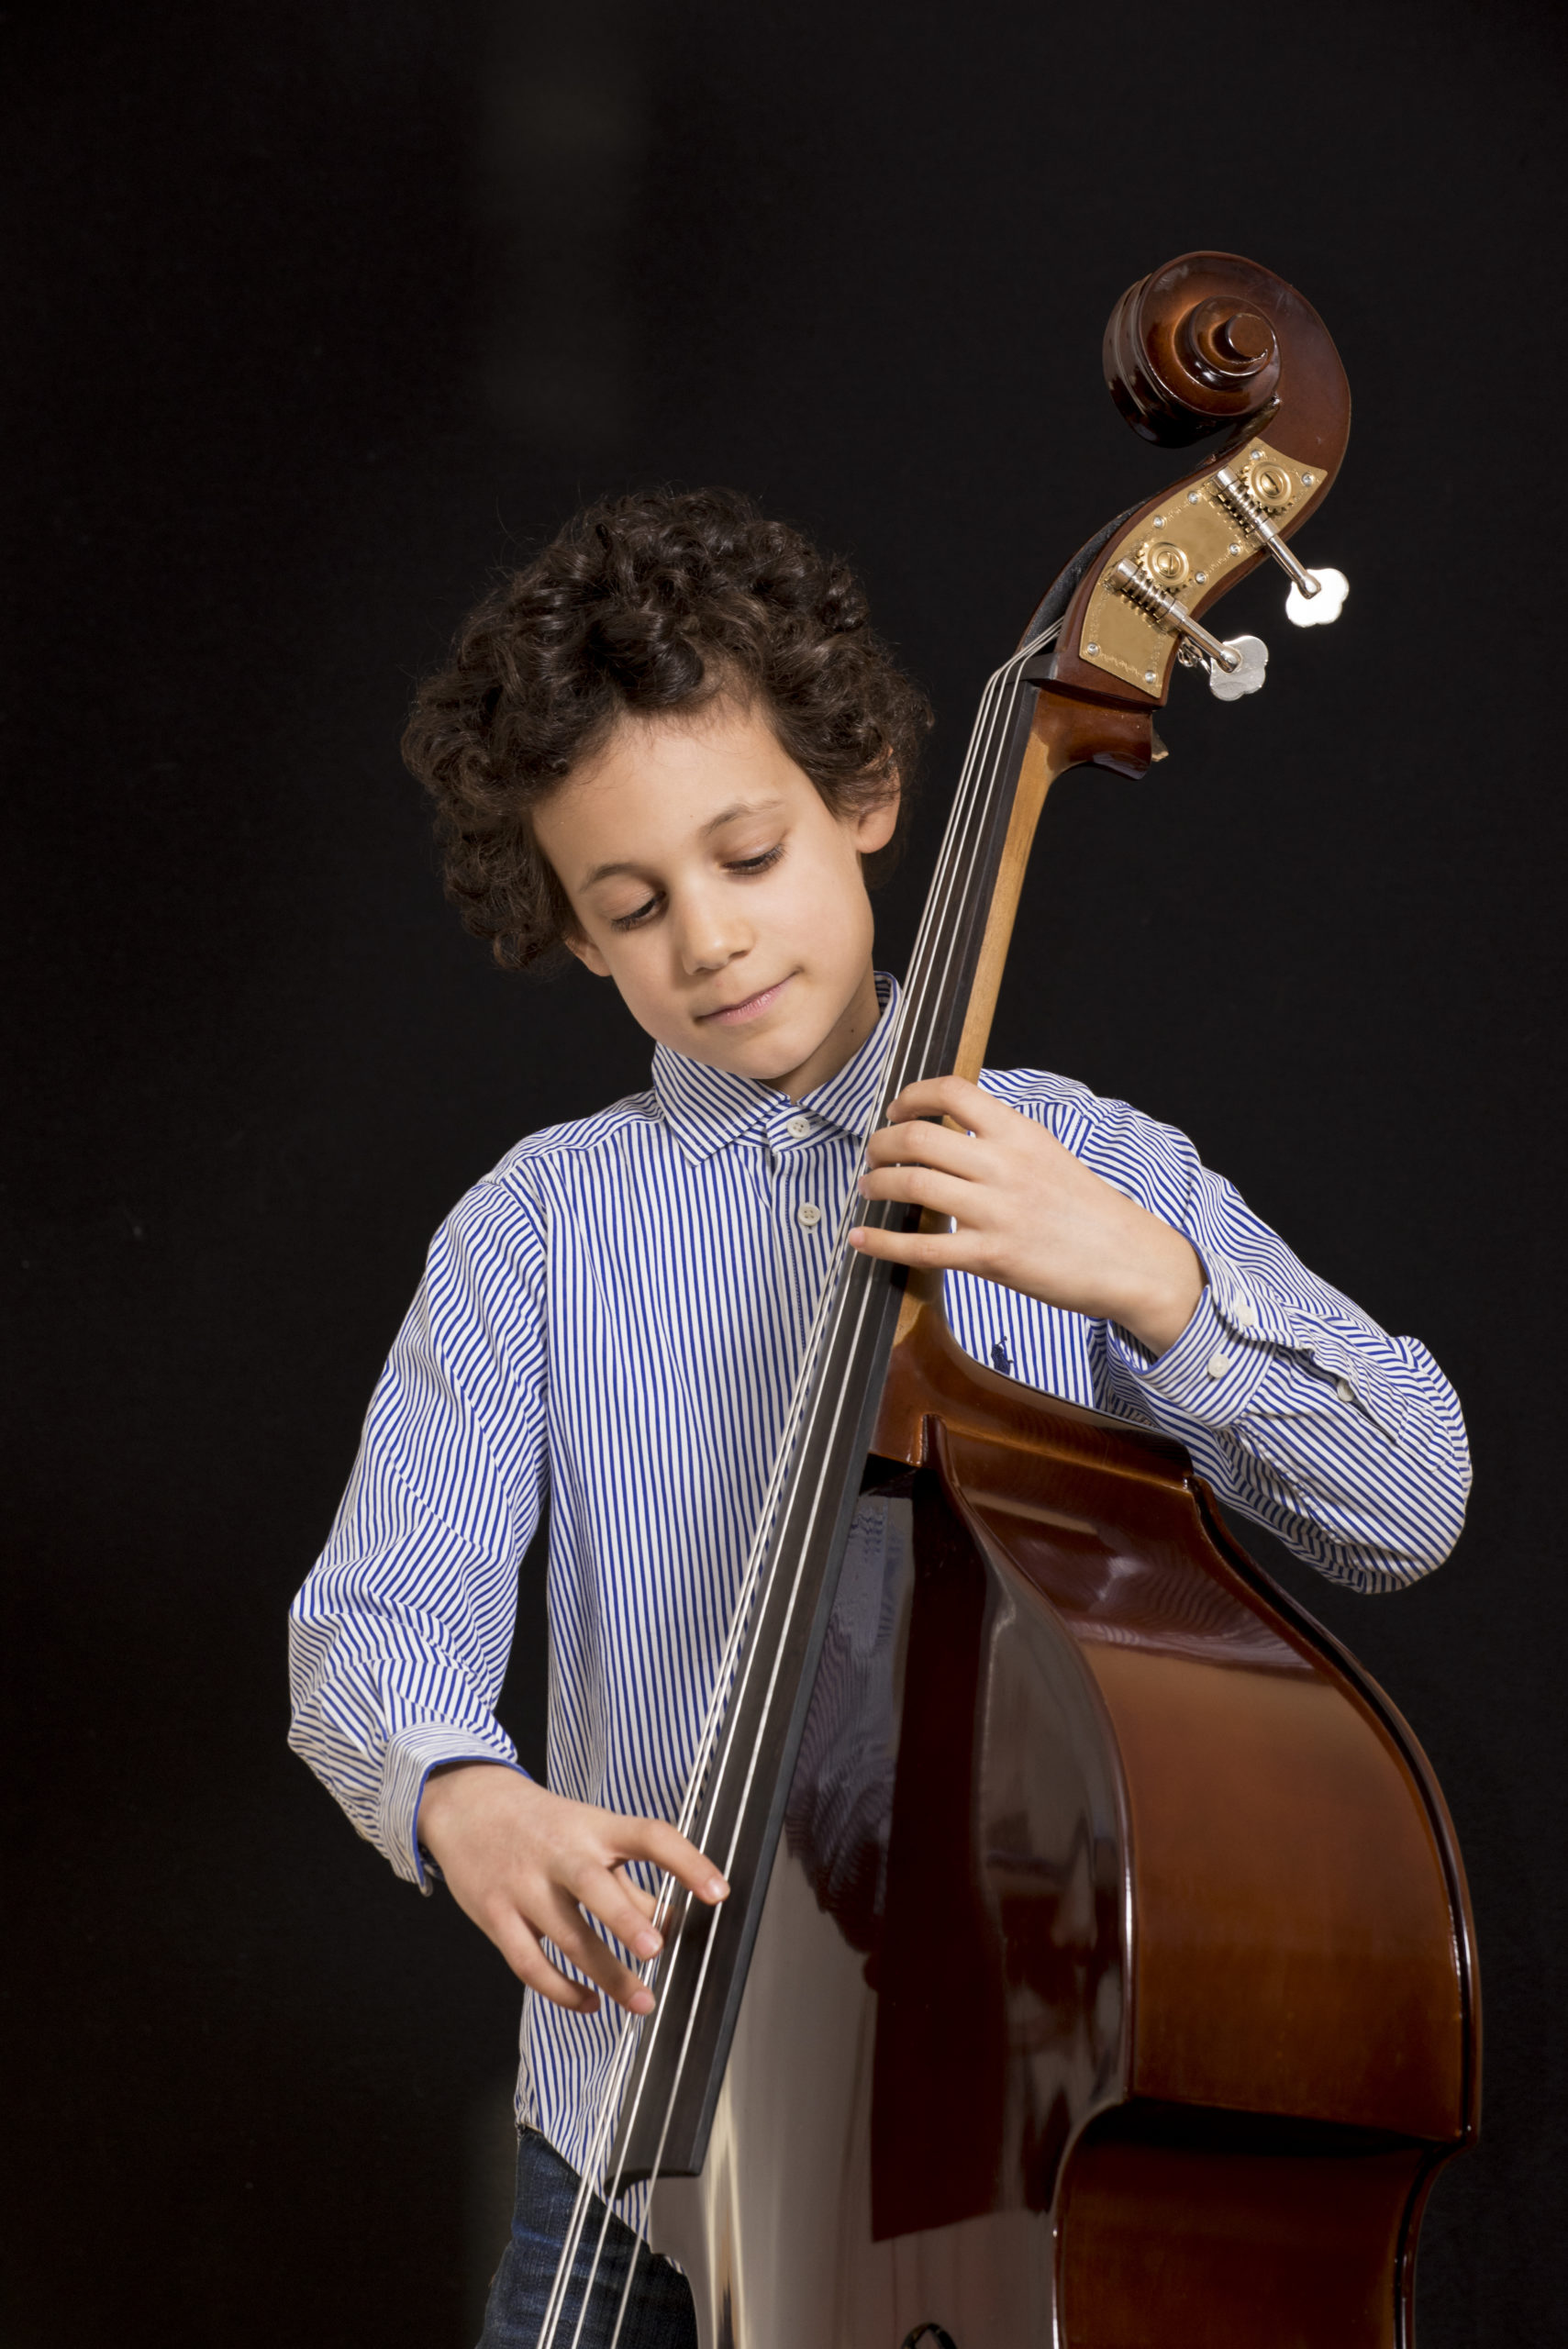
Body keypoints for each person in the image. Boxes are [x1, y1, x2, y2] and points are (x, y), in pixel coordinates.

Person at [287, 487, 1470, 2348]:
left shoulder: (1069, 1161)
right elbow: (371, 1623)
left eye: (747, 853)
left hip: (988, 2159)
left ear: (863, 794)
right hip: (624, 2161)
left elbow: (1408, 1494)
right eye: (632, 905)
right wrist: (465, 1796)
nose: (708, 939)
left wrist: (1157, 1282)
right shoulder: (535, 1228)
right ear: (576, 937)